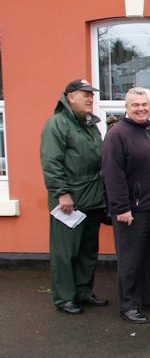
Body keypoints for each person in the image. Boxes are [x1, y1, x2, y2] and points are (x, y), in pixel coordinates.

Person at [101, 87, 150, 324]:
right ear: (127, 107)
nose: (141, 108)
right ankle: (129, 305)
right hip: (133, 210)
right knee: (131, 259)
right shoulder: (117, 134)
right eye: (136, 105)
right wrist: (121, 208)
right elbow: (112, 174)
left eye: (144, 105)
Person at [40, 79, 108, 315]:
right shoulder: (57, 124)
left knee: (88, 250)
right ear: (70, 97)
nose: (90, 98)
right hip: (70, 201)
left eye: (91, 95)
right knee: (66, 252)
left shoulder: (89, 125)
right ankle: (65, 298)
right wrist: (62, 193)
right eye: (84, 94)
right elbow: (51, 161)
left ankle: (83, 292)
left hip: (92, 198)